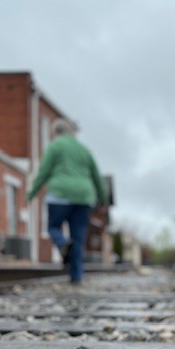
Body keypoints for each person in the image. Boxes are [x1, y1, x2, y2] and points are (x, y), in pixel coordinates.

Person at [27, 118, 106, 284]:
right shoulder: (84, 150)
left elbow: (44, 172)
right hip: (84, 197)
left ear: (55, 133)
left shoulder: (54, 146)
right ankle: (76, 277)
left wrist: (31, 193)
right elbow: (97, 177)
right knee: (78, 238)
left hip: (59, 194)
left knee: (53, 227)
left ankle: (62, 243)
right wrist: (103, 198)